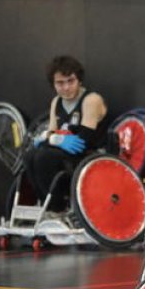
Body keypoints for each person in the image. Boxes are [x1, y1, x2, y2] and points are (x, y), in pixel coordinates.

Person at [23, 56, 107, 212]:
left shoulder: (91, 100)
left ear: (79, 80)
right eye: (60, 83)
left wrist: (51, 139)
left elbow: (83, 141)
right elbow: (51, 134)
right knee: (30, 156)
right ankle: (47, 207)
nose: (66, 87)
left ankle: (57, 209)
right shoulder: (56, 101)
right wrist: (53, 138)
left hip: (89, 153)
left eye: (70, 81)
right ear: (53, 84)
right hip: (65, 153)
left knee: (44, 157)